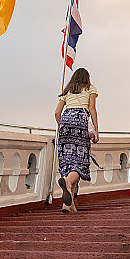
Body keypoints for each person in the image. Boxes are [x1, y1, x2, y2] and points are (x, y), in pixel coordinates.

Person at [54, 67, 99, 213]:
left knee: (67, 161)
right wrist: (96, 130)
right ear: (87, 78)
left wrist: (63, 126)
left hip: (66, 121)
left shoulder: (67, 91)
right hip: (80, 121)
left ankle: (68, 205)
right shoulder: (90, 88)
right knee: (80, 162)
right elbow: (92, 109)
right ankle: (67, 182)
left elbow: (56, 112)